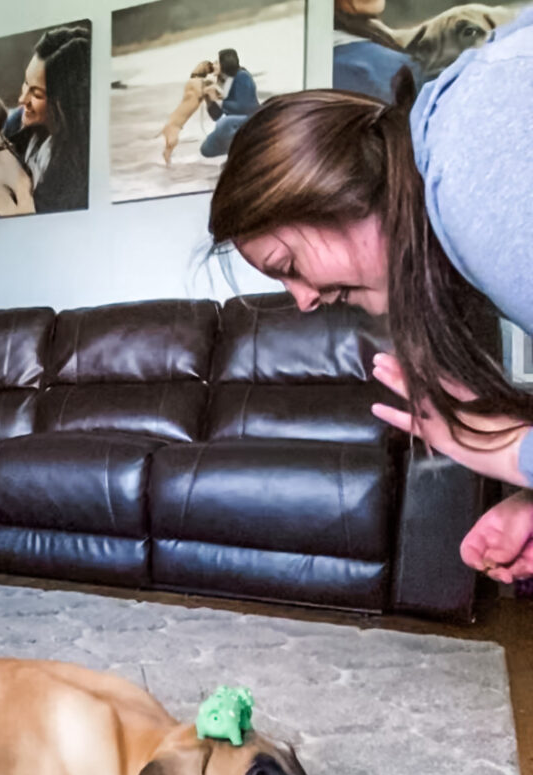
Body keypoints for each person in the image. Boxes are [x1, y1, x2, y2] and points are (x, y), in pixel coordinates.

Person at [208, 10, 533, 580]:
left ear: (328, 191)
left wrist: (514, 452)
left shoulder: (475, 183)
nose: (303, 301)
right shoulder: (465, 144)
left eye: (288, 265)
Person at [4, 25, 92, 214]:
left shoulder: (82, 165)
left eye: (36, 94)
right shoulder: (13, 126)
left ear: (63, 103)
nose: (22, 100)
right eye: (25, 83)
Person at [199, 48, 260, 158]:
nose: (214, 65)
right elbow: (217, 116)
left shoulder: (242, 76)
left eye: (216, 62)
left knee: (223, 124)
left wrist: (220, 101)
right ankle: (236, 151)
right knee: (206, 149)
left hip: (251, 119)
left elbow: (244, 106)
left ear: (225, 63)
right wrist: (209, 99)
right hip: (233, 124)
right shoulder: (222, 81)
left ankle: (240, 155)